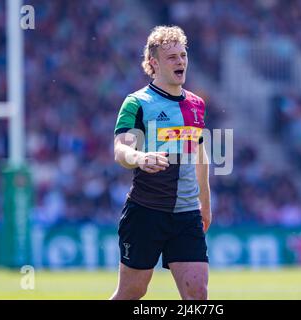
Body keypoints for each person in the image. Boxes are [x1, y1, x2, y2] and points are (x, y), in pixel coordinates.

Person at [110, 25, 211, 300]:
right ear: (153, 63)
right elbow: (121, 149)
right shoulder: (137, 103)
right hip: (146, 211)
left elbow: (199, 156)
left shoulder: (196, 104)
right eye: (172, 57)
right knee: (132, 293)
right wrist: (140, 158)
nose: (181, 61)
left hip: (187, 214)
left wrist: (206, 205)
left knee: (197, 294)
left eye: (183, 55)